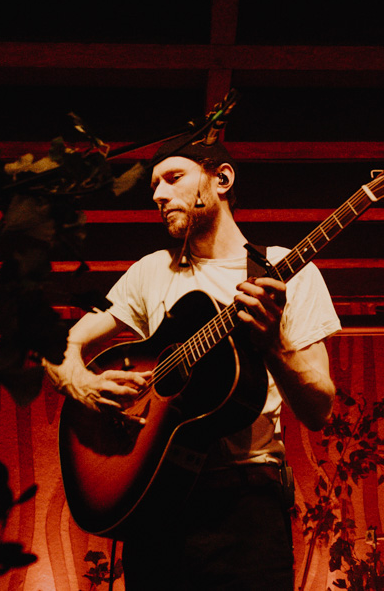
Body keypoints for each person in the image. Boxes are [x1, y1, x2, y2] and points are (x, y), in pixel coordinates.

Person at [45, 134, 341, 590]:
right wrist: (81, 383)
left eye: (173, 178)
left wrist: (273, 346)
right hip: (154, 502)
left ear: (221, 178)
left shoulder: (286, 270)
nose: (159, 195)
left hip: (246, 507)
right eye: (154, 187)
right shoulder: (150, 270)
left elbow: (320, 410)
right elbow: (61, 346)